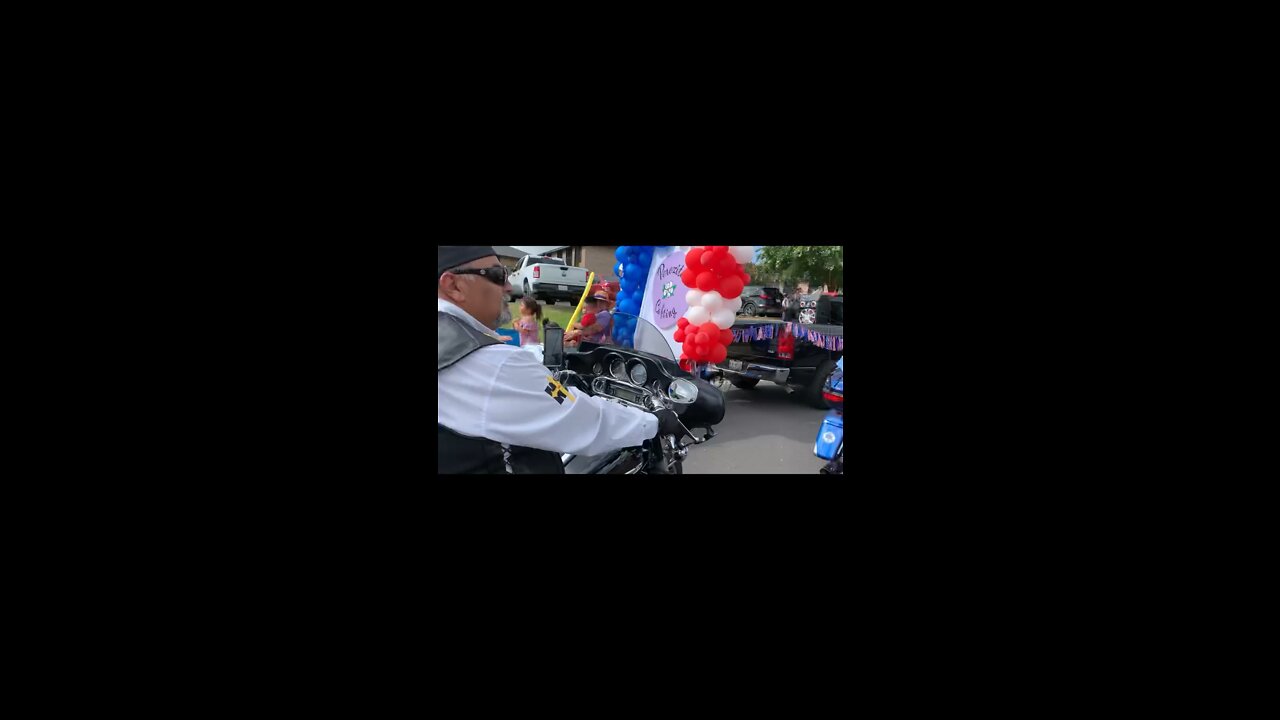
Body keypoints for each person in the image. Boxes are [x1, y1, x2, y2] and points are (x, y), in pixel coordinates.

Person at [438, 246, 684, 474]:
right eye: (497, 275)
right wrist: (656, 422)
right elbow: (581, 420)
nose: (508, 287)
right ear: (453, 285)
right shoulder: (494, 364)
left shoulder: (460, 348)